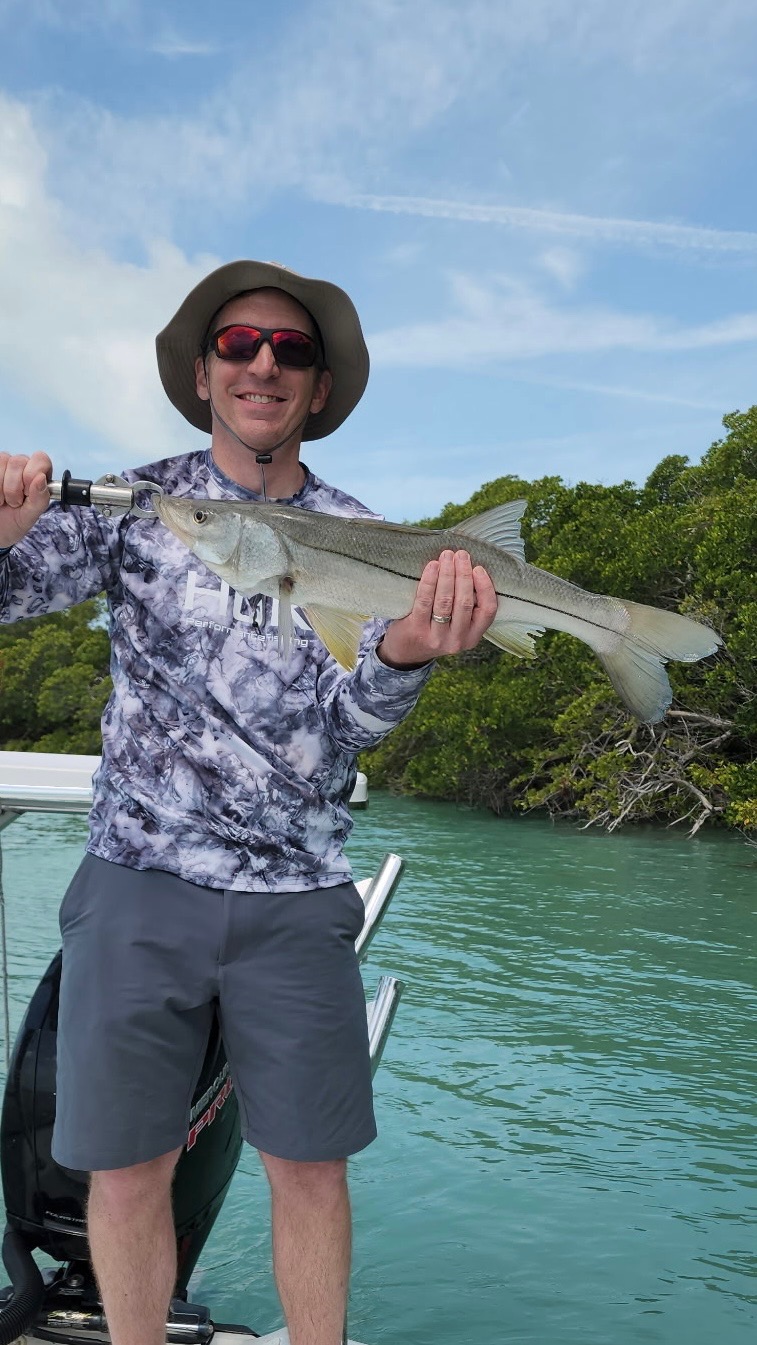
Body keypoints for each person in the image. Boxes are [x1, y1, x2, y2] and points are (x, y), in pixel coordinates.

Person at [0, 260, 497, 1345]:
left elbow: (352, 724)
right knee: (124, 1171)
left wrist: (409, 651)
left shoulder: (365, 535)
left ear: (319, 385)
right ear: (202, 373)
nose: (263, 363)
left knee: (311, 1169)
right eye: (238, 344)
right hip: (138, 882)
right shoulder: (138, 507)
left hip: (297, 893)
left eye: (291, 348)